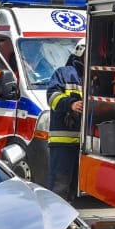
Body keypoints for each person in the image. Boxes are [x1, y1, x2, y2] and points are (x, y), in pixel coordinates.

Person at [46, 37, 86, 202]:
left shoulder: (92, 77)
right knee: (59, 184)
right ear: (81, 52)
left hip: (81, 143)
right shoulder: (63, 73)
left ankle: (67, 221)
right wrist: (71, 104)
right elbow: (52, 96)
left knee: (72, 188)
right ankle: (54, 220)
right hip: (63, 141)